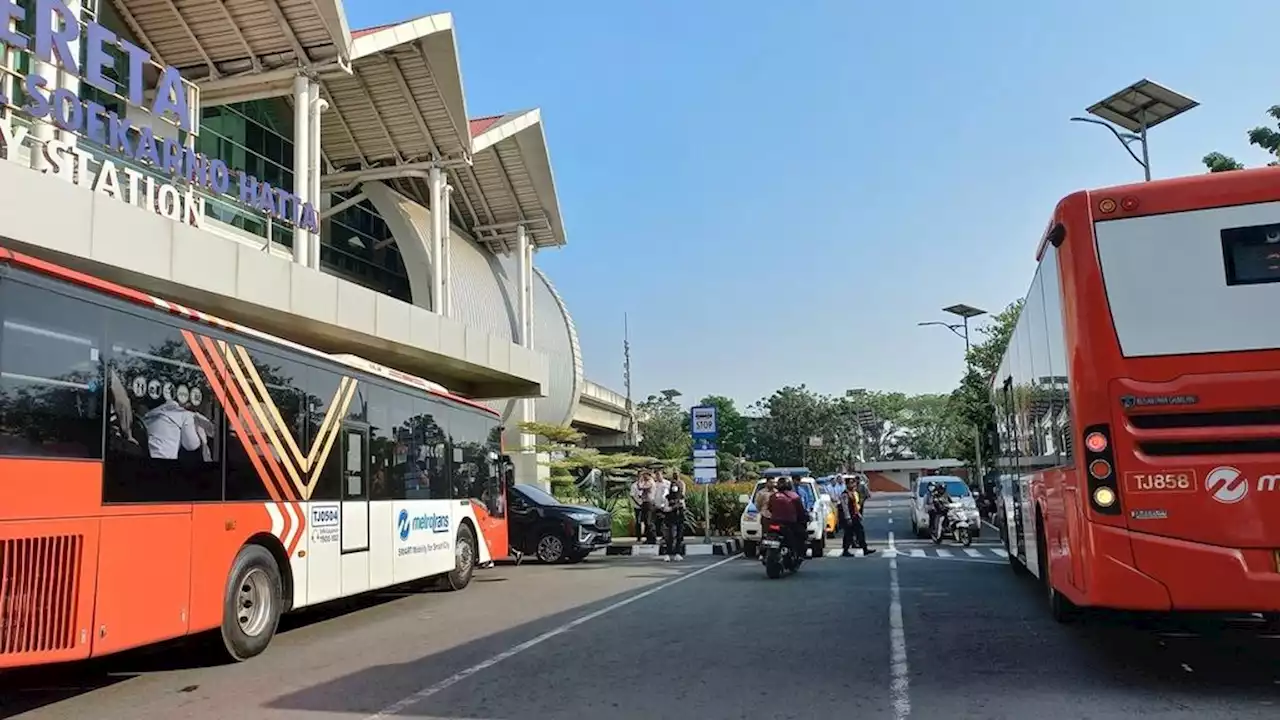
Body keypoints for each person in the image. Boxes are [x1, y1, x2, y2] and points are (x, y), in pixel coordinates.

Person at [768, 477, 809, 561]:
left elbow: (770, 508)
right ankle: (800, 554)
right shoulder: (794, 496)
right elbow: (801, 511)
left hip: (774, 522)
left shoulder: (773, 496)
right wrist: (805, 518)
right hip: (789, 523)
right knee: (802, 535)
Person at [840, 482, 875, 557]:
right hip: (849, 517)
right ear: (847, 485)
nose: (853, 486)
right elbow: (845, 507)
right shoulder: (845, 494)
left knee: (860, 532)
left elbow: (855, 505)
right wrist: (848, 518)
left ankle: (864, 549)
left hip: (854, 516)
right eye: (851, 484)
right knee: (848, 534)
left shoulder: (852, 493)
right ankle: (845, 551)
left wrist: (858, 514)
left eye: (854, 484)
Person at [662, 473, 687, 561]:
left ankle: (678, 553)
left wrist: (680, 505)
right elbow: (665, 508)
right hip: (670, 517)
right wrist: (673, 507)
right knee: (671, 536)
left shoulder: (681, 497)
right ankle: (668, 553)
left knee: (679, 535)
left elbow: (684, 507)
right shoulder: (667, 498)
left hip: (679, 516)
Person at [630, 471, 656, 544]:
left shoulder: (650, 482)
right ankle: (647, 538)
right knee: (645, 522)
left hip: (648, 503)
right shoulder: (645, 482)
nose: (644, 477)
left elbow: (640, 487)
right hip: (644, 503)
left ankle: (652, 538)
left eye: (645, 476)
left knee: (648, 522)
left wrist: (639, 482)